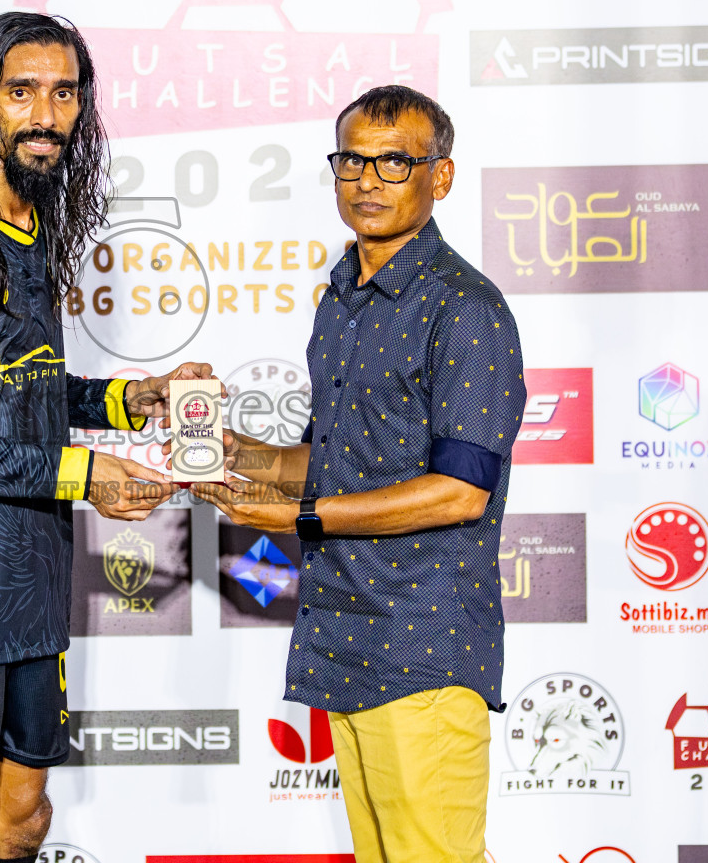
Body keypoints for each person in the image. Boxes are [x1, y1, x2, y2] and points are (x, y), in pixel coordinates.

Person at [0, 11, 213, 863]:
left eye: (64, 94)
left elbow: (15, 385)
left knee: (24, 822)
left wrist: (137, 396)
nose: (45, 115)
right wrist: (80, 472)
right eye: (22, 92)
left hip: (31, 575)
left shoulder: (35, 225)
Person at [188, 86, 525, 863]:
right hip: (347, 634)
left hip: (425, 642)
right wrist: (235, 457)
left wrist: (298, 520)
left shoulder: (466, 308)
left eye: (394, 162)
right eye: (352, 161)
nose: (368, 179)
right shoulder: (341, 297)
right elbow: (336, 462)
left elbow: (461, 490)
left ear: (439, 177)